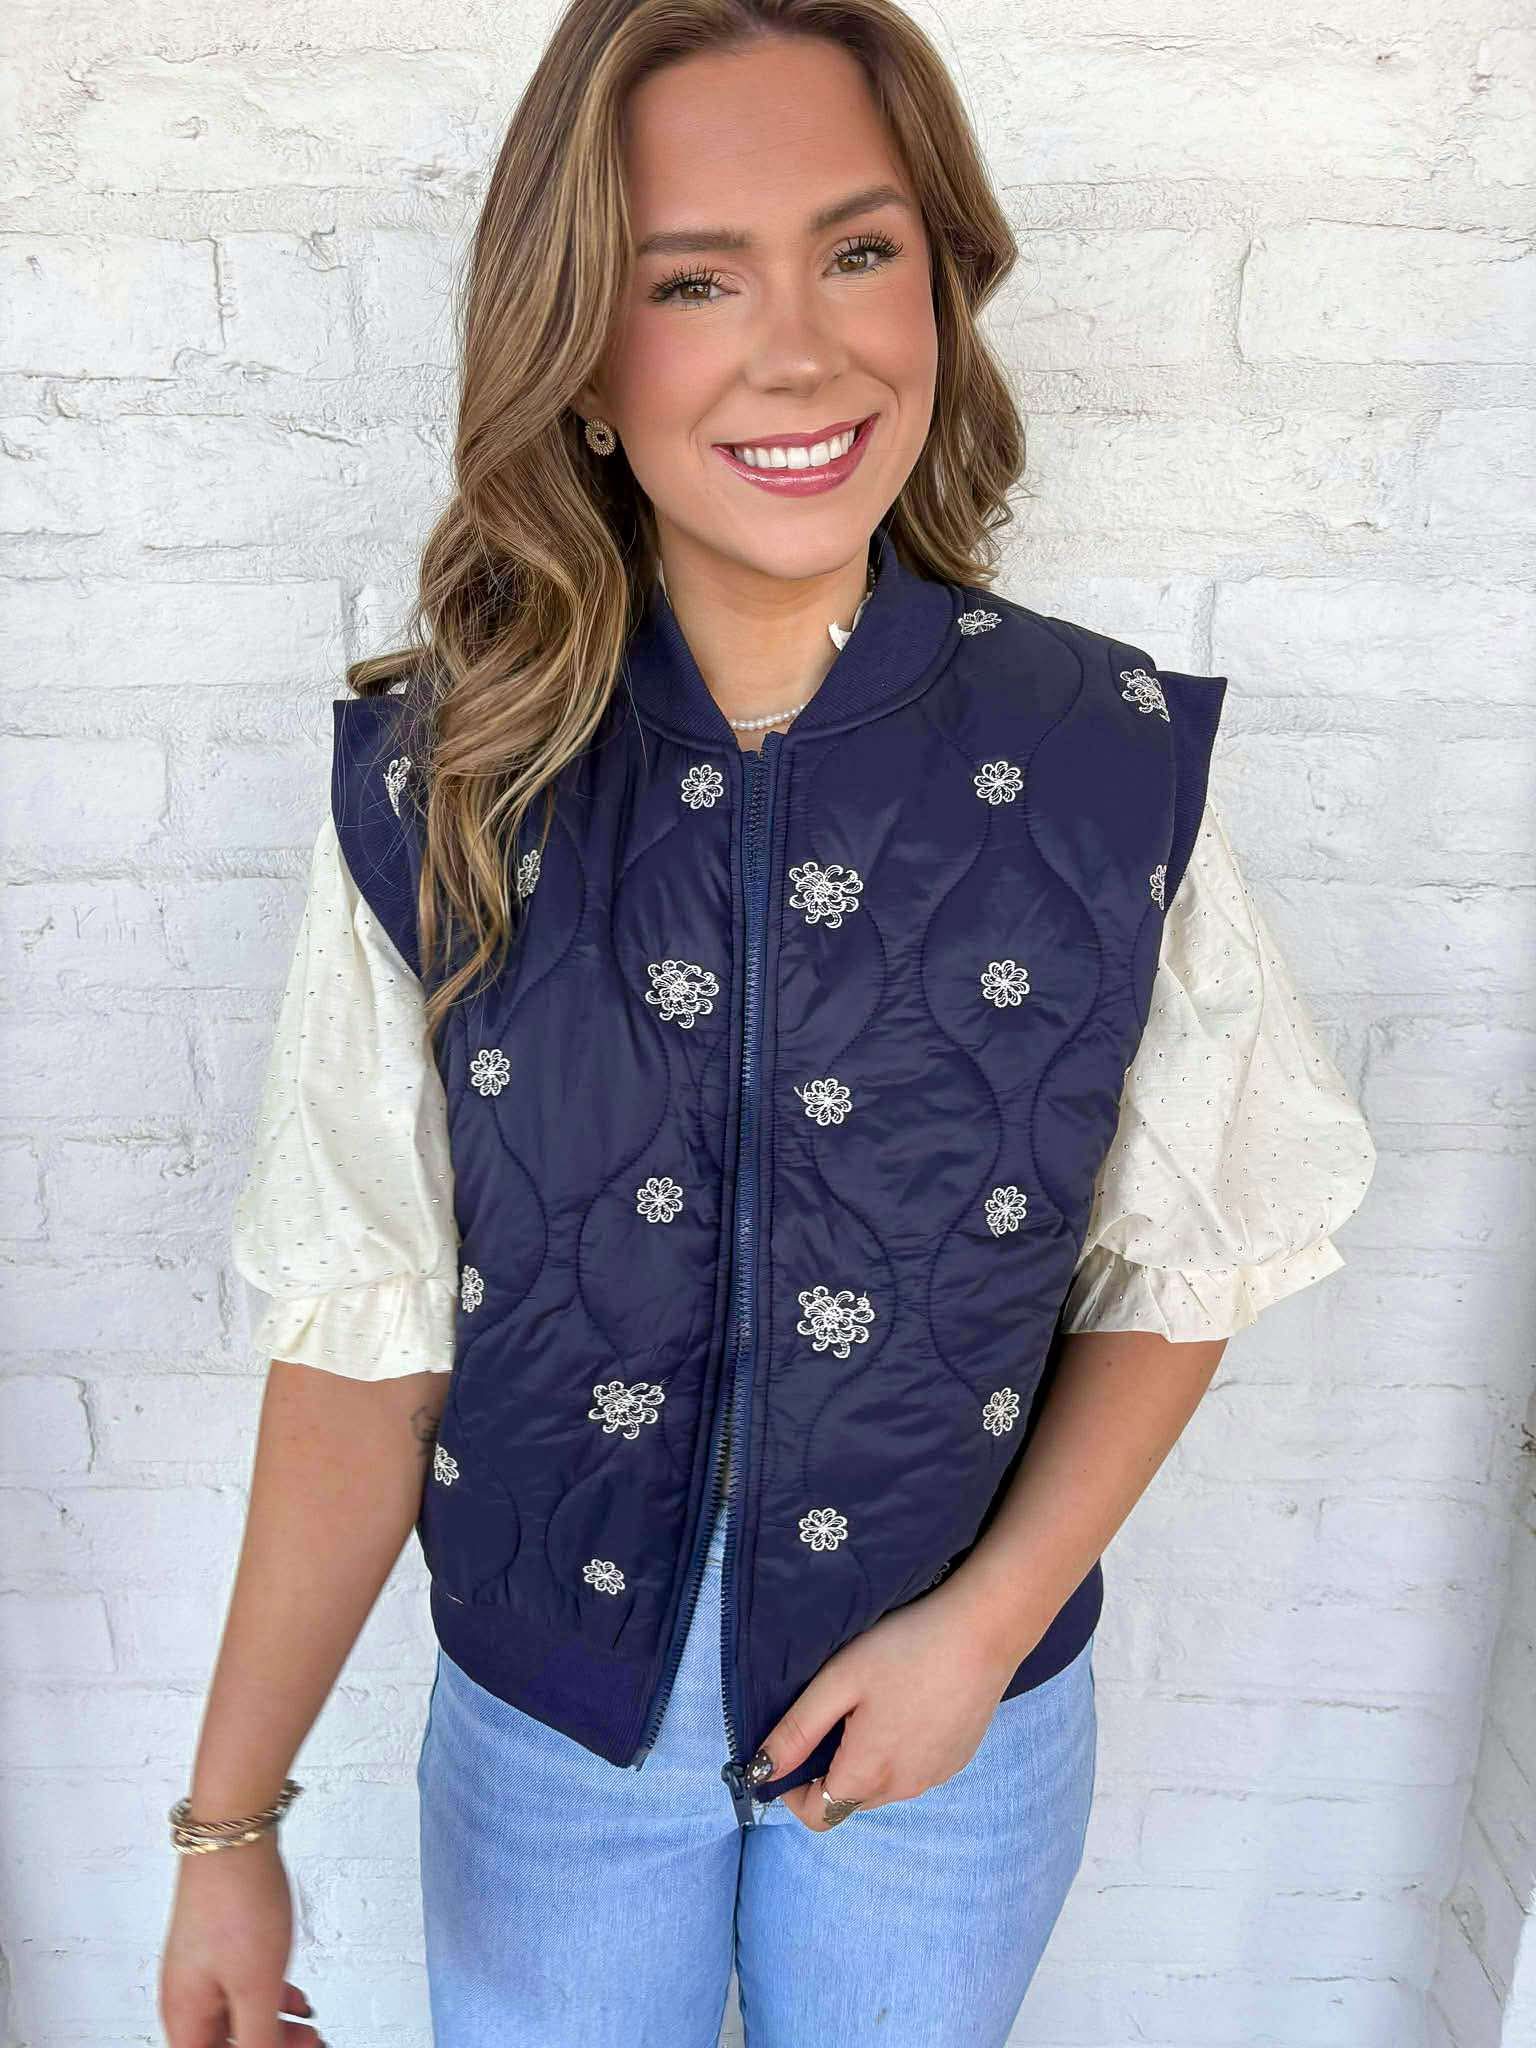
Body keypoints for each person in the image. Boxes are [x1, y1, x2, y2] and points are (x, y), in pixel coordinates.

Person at [157, 5, 1378, 2045]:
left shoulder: (1107, 763)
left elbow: (1186, 1257)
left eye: (859, 251)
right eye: (691, 281)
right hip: (555, 1733)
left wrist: (979, 1634)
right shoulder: (439, 794)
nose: (799, 351)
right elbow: (361, 1347)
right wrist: (226, 1822)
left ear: (942, 289)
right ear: (581, 354)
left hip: (952, 1725)